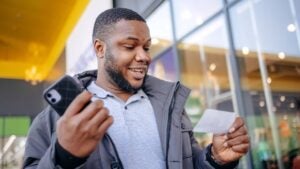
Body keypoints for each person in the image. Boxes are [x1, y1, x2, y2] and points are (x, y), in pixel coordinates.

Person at [23, 8, 249, 169]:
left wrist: (215, 159)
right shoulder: (57, 118)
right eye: (130, 46)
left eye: (147, 47)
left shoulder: (170, 107)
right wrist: (64, 157)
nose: (144, 57)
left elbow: (191, 164)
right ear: (100, 49)